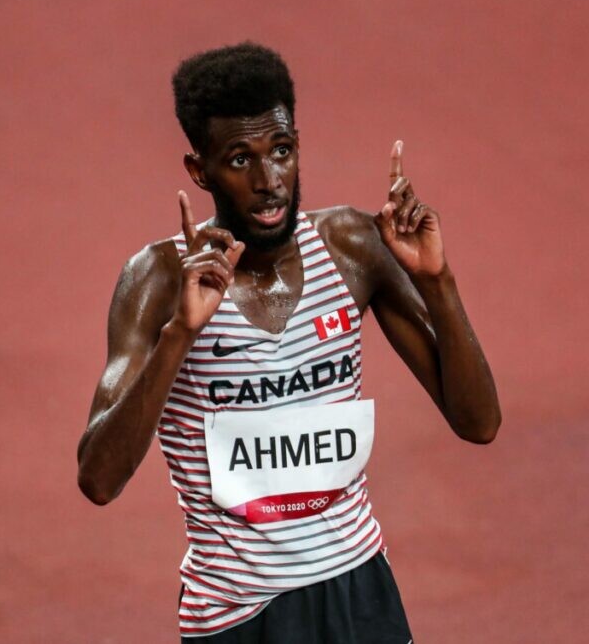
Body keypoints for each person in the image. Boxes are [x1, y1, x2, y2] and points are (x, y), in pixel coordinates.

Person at [77, 42, 501, 642]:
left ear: (298, 144)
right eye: (239, 160)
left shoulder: (352, 248)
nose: (268, 181)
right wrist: (181, 334)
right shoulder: (158, 280)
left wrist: (438, 281)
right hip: (239, 615)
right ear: (199, 170)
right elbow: (98, 480)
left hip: (360, 594)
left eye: (280, 150)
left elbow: (479, 422)